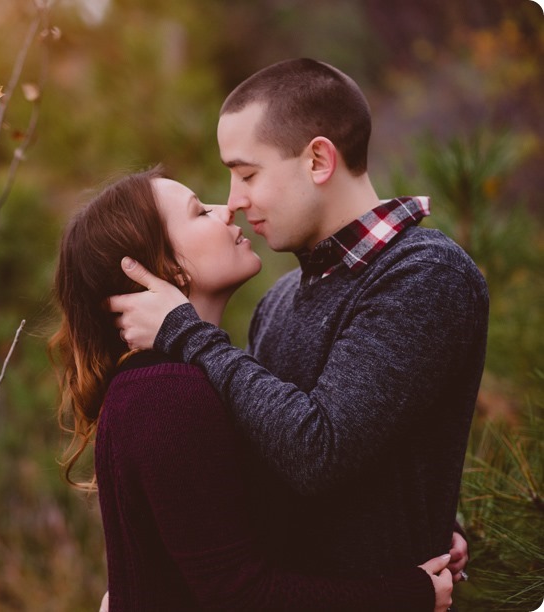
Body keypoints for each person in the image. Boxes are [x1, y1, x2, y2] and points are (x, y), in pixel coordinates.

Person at [108, 58, 487, 591]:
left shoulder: (425, 274)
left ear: (317, 160)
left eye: (246, 174)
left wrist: (188, 334)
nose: (234, 201)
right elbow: (274, 469)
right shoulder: (281, 299)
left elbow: (318, 452)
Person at [52, 166, 454, 610]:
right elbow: (239, 595)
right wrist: (408, 595)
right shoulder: (165, 394)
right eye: (199, 212)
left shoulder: (184, 380)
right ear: (166, 268)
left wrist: (414, 525)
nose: (226, 209)